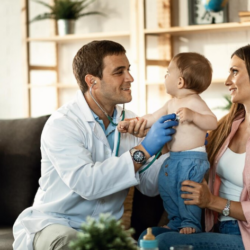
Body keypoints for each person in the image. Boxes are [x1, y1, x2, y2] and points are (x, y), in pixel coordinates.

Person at [12, 40, 178, 250]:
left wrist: (169, 149)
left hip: (104, 231)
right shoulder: (63, 123)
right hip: (56, 225)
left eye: (128, 69)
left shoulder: (130, 120)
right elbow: (88, 184)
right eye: (119, 72)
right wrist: (144, 149)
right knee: (72, 243)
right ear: (92, 81)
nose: (130, 78)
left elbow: (149, 186)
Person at [138, 45, 250, 250]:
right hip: (216, 226)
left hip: (244, 234)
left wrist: (212, 202)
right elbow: (191, 155)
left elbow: (209, 197)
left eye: (235, 71)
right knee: (149, 236)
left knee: (161, 243)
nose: (227, 81)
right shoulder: (228, 126)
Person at [118, 52, 217, 234]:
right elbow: (152, 118)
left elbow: (213, 122)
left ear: (180, 82)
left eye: (167, 73)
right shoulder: (171, 103)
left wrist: (194, 116)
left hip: (192, 159)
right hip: (173, 158)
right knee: (167, 188)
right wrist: (132, 124)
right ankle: (175, 221)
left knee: (186, 191)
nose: (165, 77)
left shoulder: (195, 102)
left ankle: (191, 222)